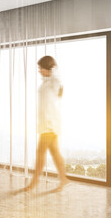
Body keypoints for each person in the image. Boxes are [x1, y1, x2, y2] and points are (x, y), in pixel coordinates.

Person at [24, 55, 69, 191]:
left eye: (41, 68)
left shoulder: (54, 82)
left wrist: (53, 69)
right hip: (46, 125)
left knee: (40, 153)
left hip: (50, 125)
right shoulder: (45, 83)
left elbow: (59, 85)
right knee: (55, 153)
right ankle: (64, 179)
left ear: (48, 68)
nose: (39, 70)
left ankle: (34, 181)